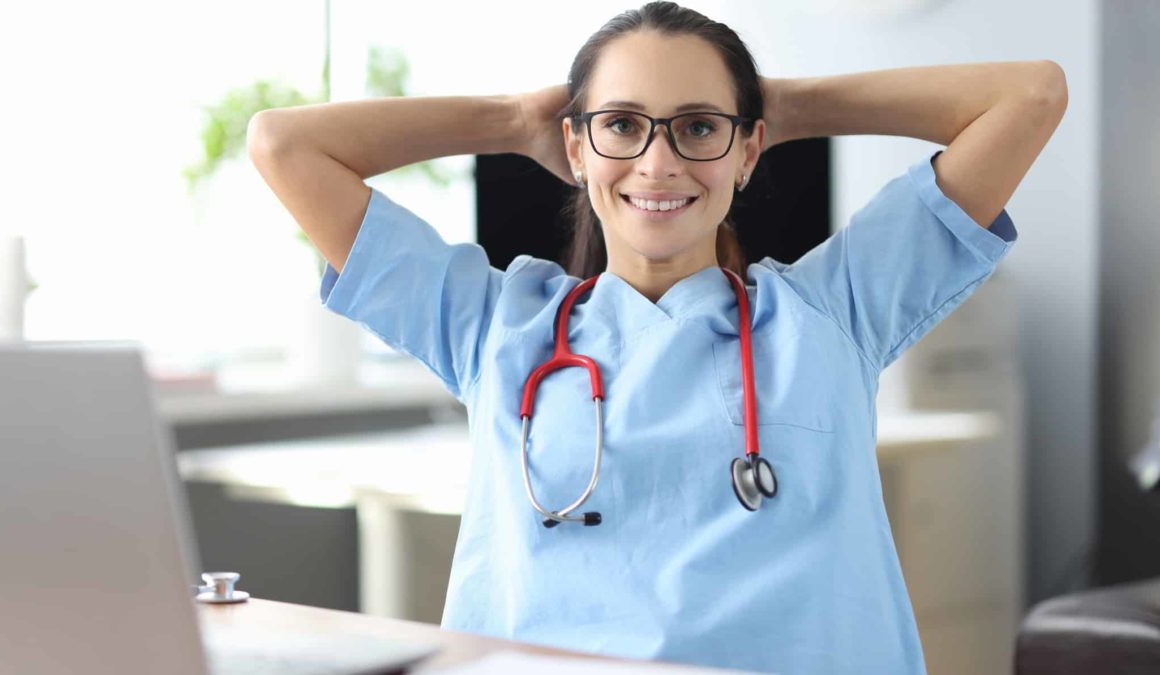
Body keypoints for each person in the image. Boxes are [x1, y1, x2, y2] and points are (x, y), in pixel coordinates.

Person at [247, 2, 1066, 672]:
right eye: (623, 126)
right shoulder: (494, 326)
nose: (659, 161)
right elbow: (284, 145)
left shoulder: (838, 309)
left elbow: (1030, 96)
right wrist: (512, 118)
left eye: (699, 128)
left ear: (747, 151)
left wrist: (789, 108)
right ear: (576, 147)